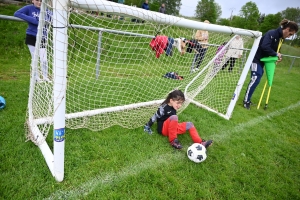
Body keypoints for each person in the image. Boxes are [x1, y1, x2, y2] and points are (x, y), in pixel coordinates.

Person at [243, 19, 298, 109]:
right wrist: (275, 54)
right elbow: (265, 46)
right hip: (255, 59)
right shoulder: (272, 33)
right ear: (287, 29)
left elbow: (277, 50)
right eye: (290, 34)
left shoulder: (280, 39)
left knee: (257, 78)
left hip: (263, 60)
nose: (289, 36)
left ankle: (248, 99)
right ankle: (246, 101)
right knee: (255, 78)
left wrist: (278, 57)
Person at [143, 90, 213, 149]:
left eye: (181, 103)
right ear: (171, 100)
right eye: (178, 103)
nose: (179, 105)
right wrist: (147, 126)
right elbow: (155, 116)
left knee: (190, 124)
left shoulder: (174, 107)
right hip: (163, 129)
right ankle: (173, 141)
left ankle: (200, 142)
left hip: (172, 129)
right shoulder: (163, 107)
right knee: (174, 117)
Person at [14, 0, 52, 82]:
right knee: (35, 58)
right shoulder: (29, 8)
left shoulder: (47, 10)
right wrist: (33, 20)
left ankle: (45, 77)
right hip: (32, 36)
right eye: (37, 0)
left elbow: (52, 19)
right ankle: (36, 78)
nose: (39, 2)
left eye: (41, 1)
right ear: (33, 0)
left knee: (44, 59)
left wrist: (43, 20)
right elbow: (17, 13)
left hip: (42, 37)